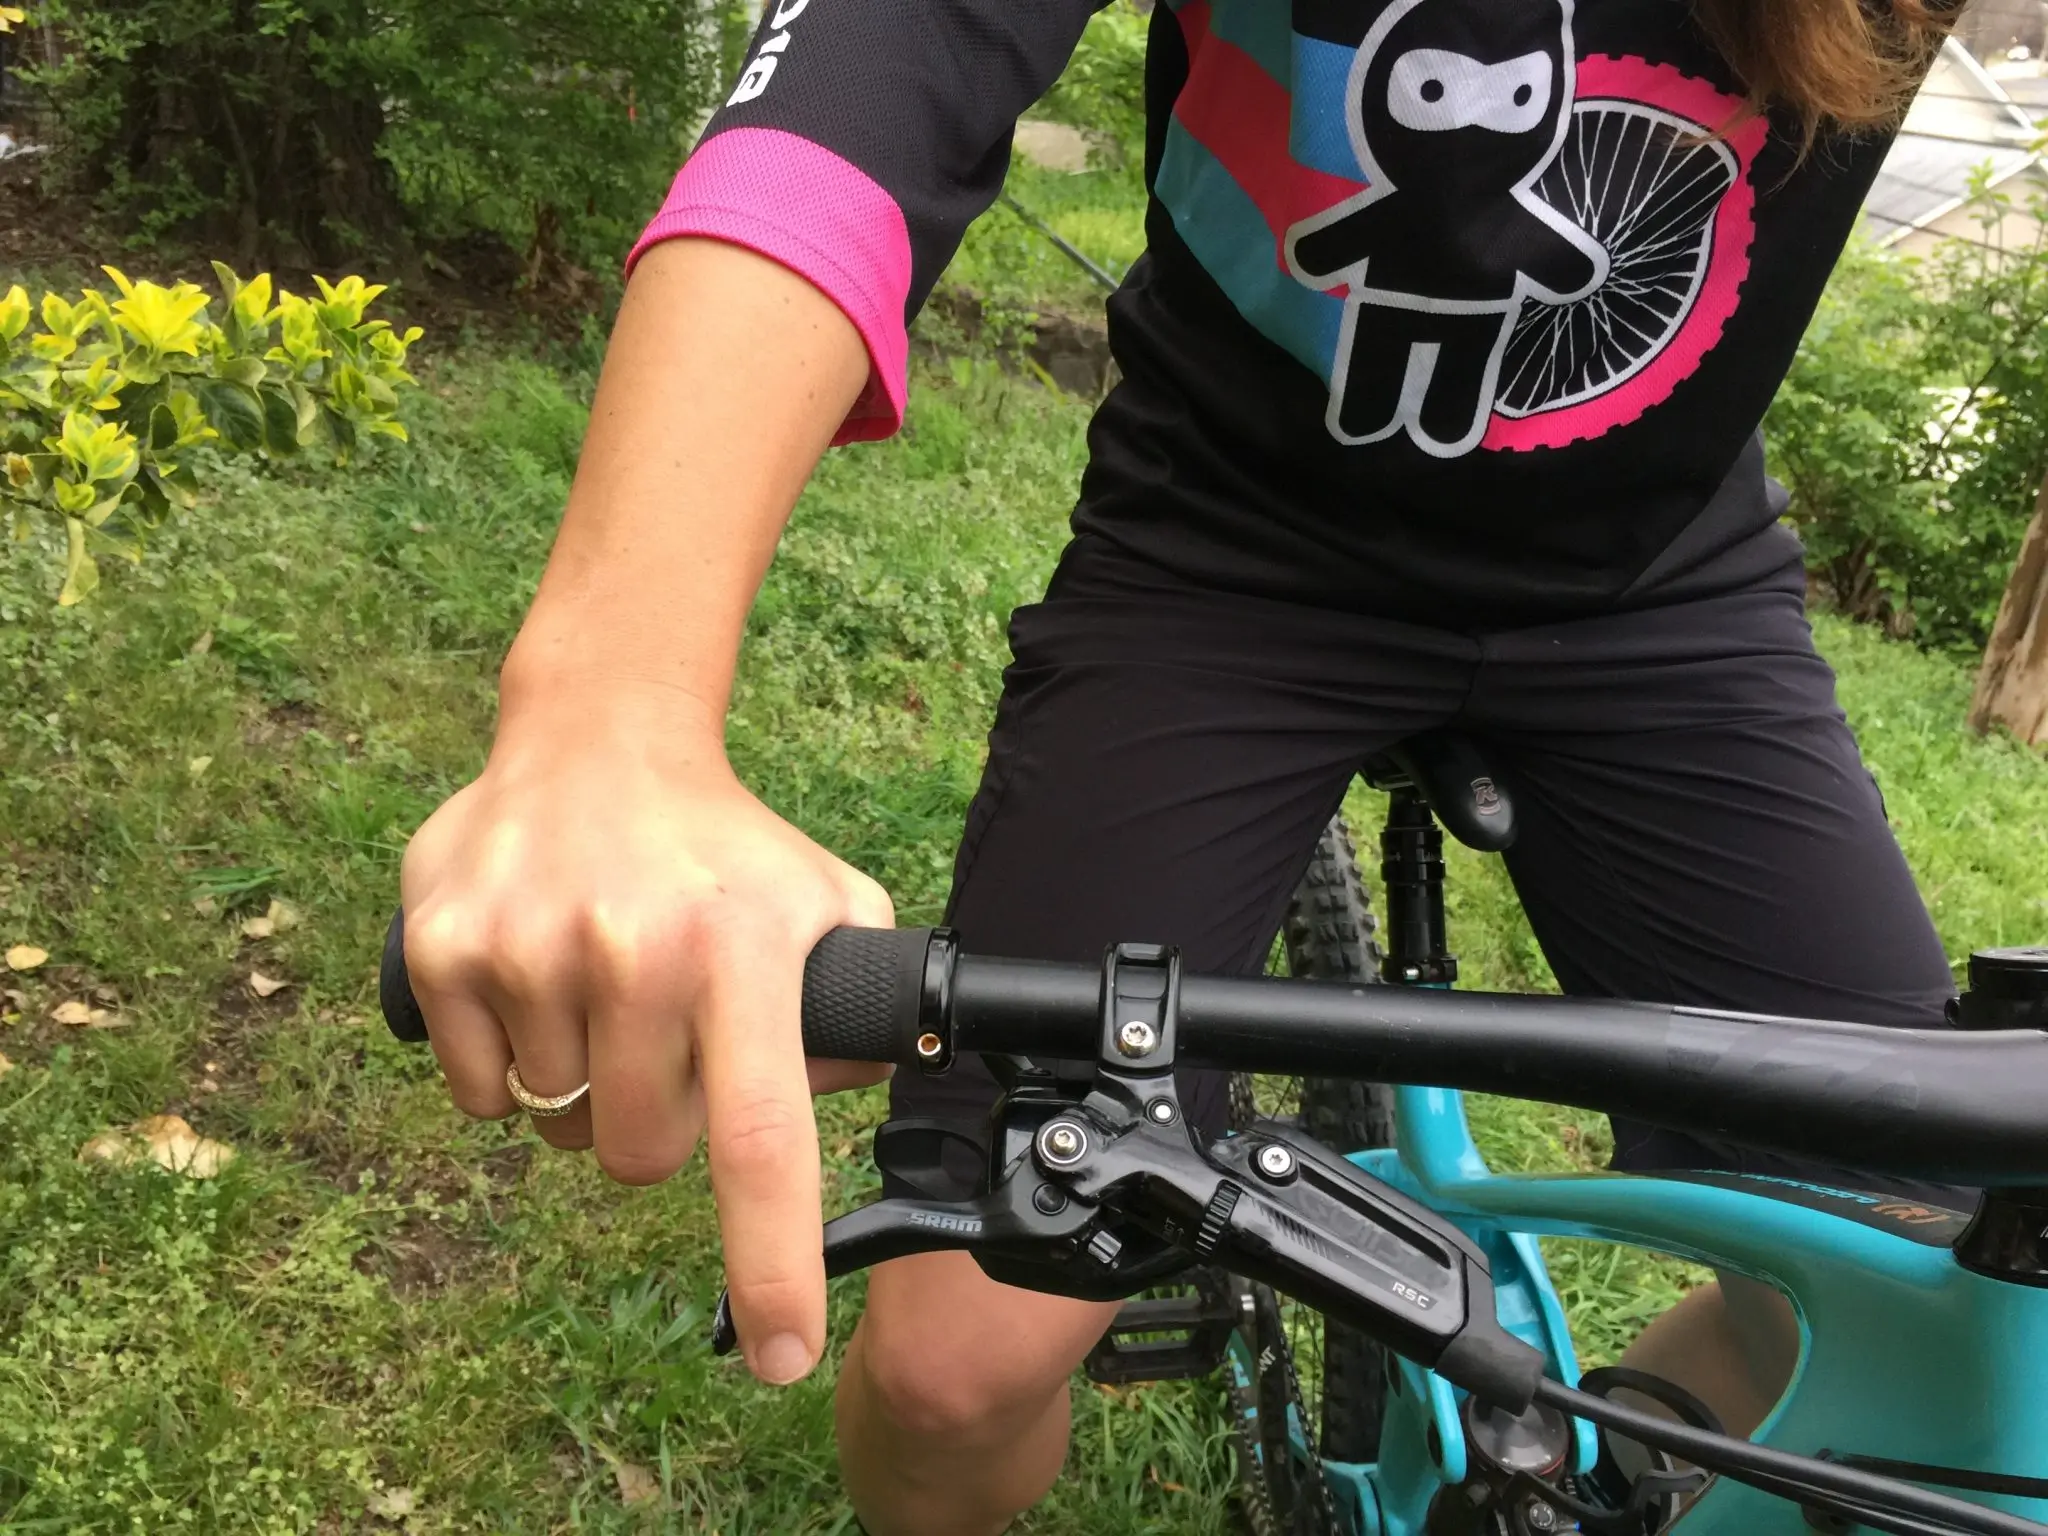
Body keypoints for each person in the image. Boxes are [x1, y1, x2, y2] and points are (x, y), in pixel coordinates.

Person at [396, 0, 1963, 1531]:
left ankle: (1629, 1468)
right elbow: (892, 56)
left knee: (1943, 1309)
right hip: (1229, 560)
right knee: (956, 1377)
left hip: (1652, 586)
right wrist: (612, 707)